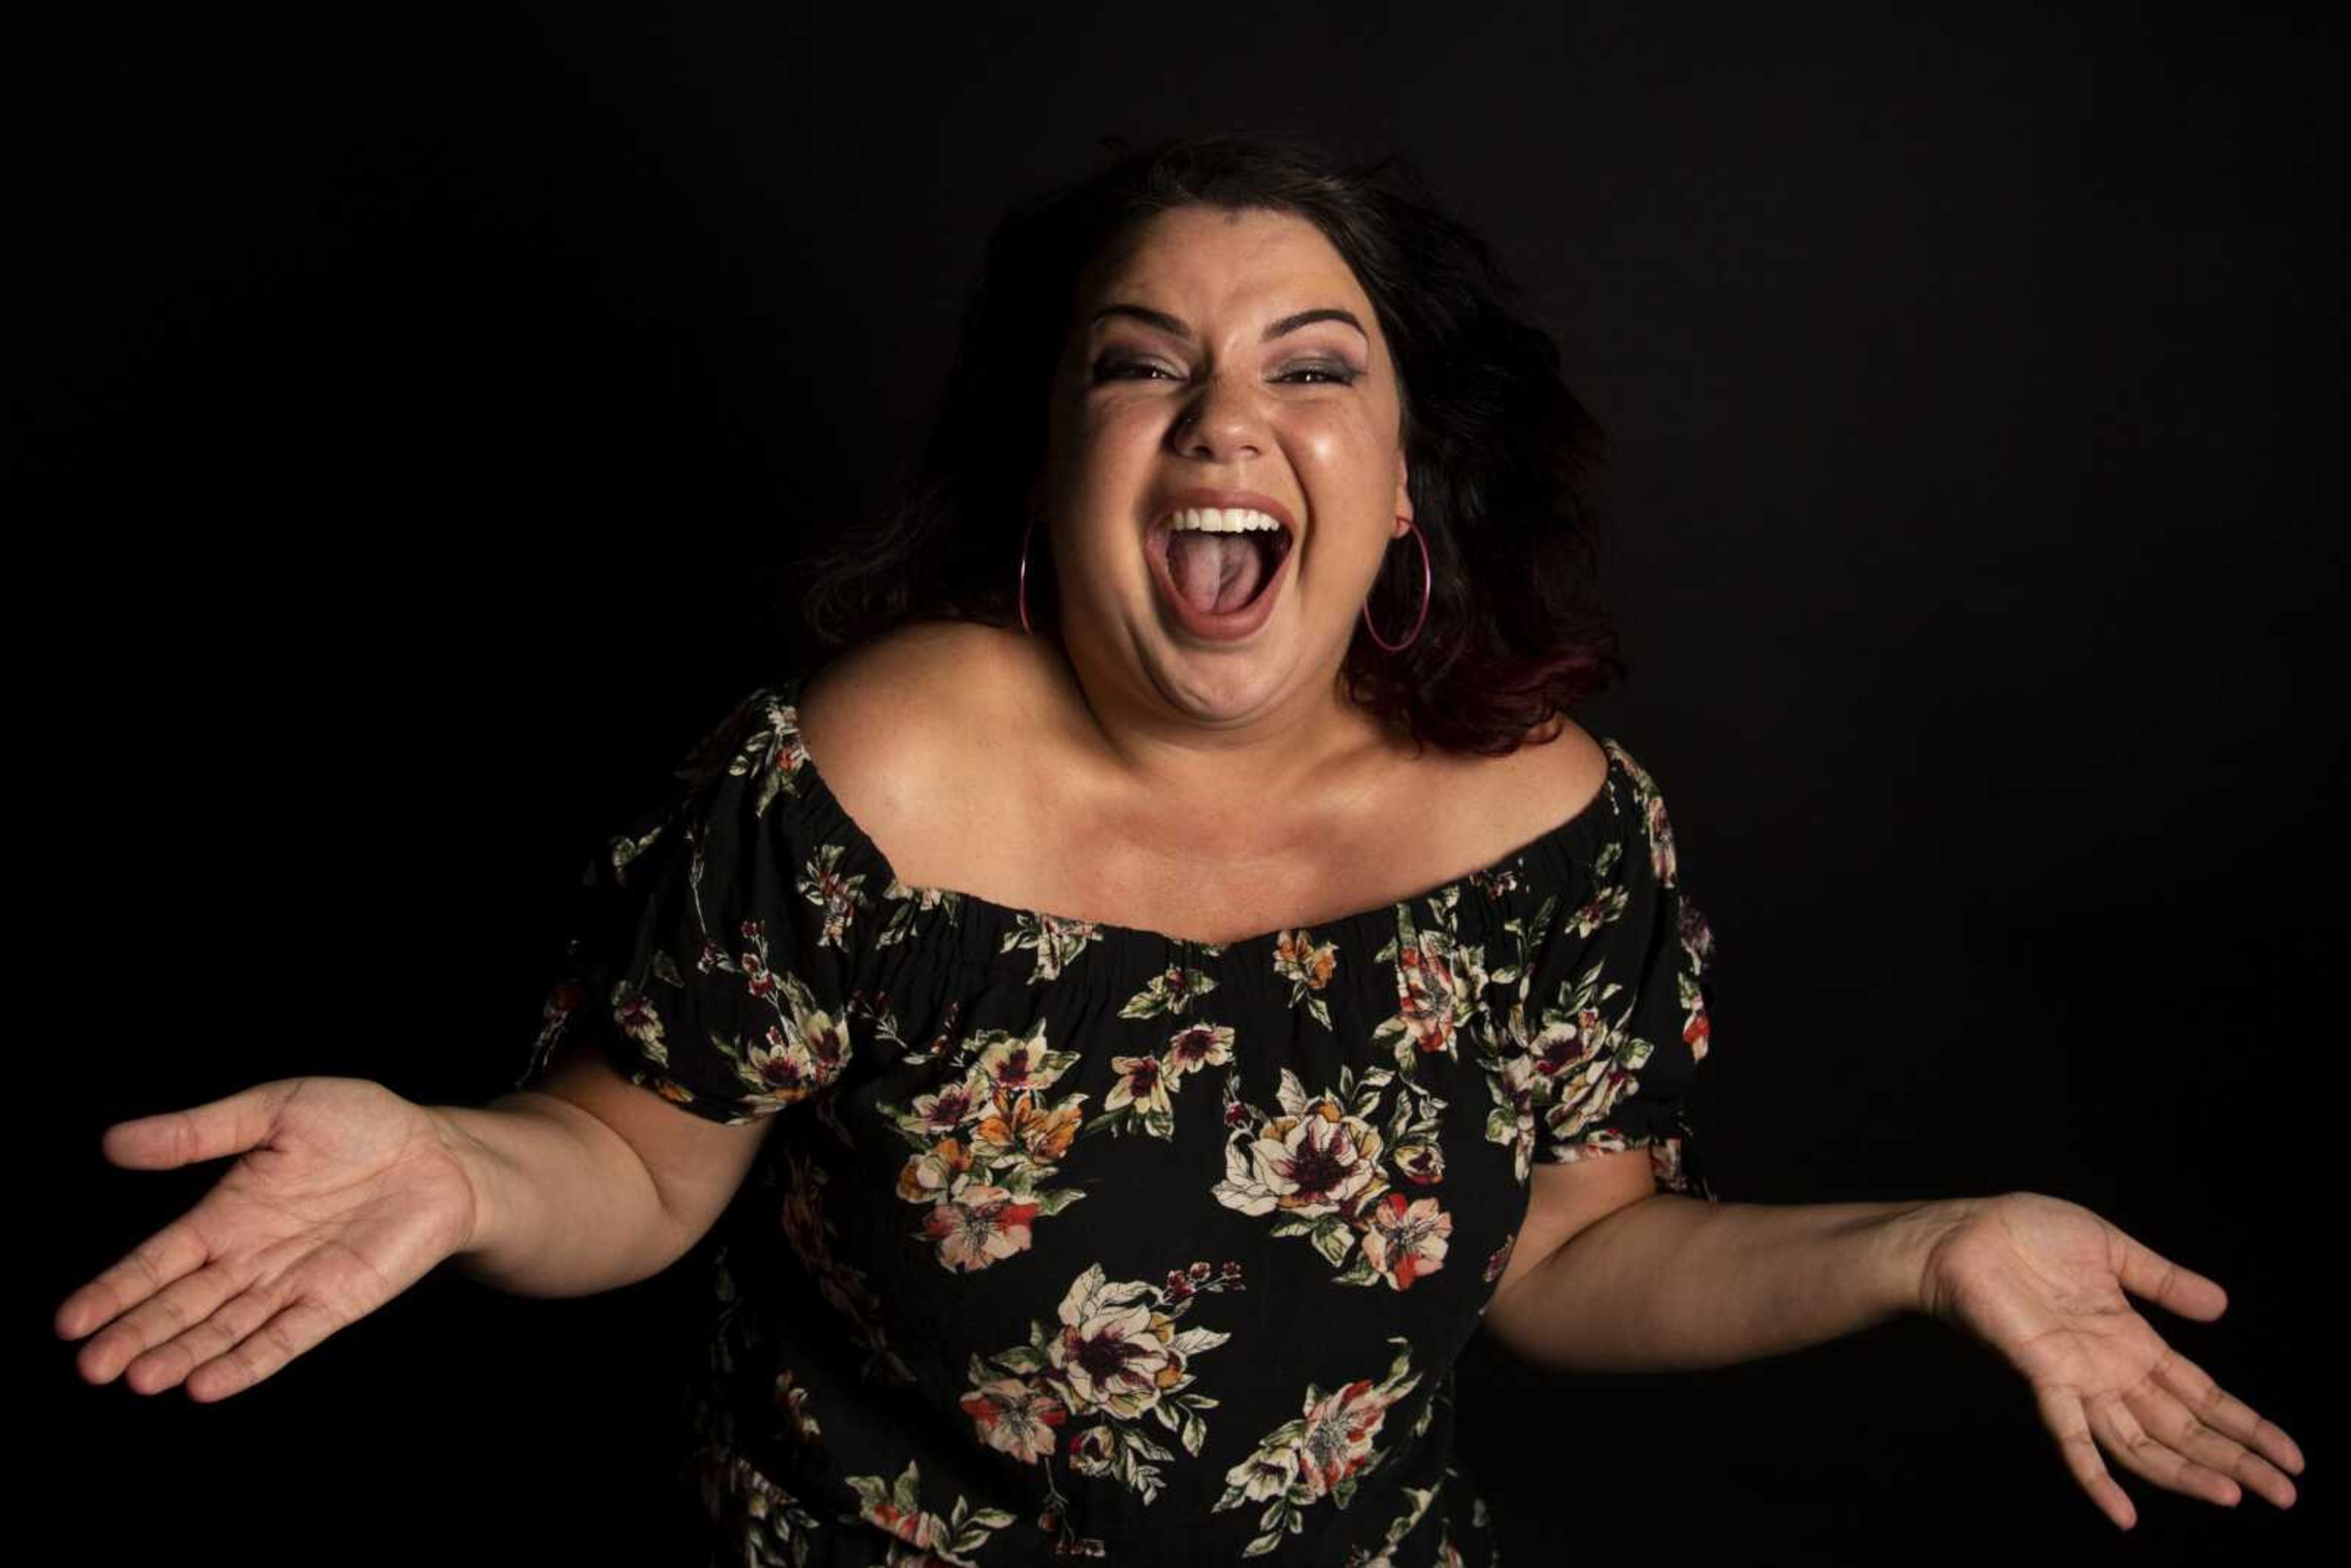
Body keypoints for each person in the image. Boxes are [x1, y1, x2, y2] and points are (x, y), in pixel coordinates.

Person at [53, 132, 2303, 1565]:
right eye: (1145, 369)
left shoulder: (1551, 826)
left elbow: (1576, 1261)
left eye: (1313, 368)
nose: (1229, 418)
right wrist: (455, 1165)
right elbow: (635, 1168)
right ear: (1053, 477)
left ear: (1407, 487)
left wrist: (1934, 1246)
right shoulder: (872, 770)